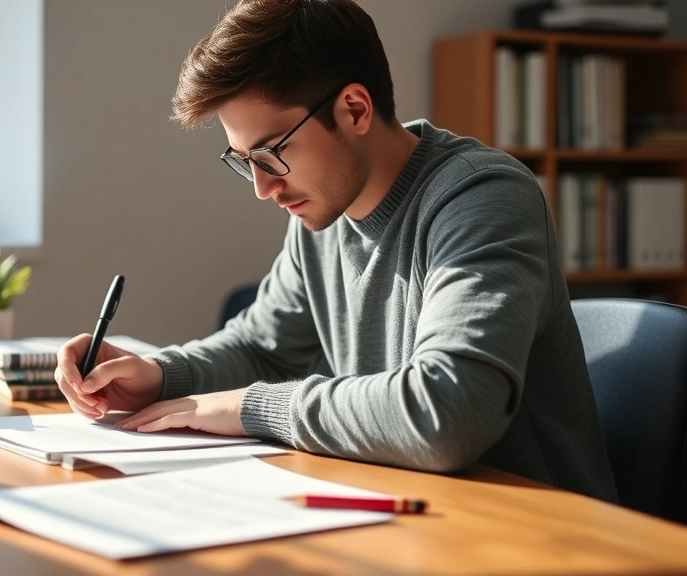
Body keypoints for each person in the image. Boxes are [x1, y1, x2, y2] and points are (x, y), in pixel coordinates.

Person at [55, 0, 617, 502]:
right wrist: (156, 374)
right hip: (411, 520)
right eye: (243, 160)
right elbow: (264, 348)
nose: (262, 188)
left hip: (541, 536)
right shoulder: (320, 216)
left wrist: (251, 407)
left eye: (271, 152)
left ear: (354, 109)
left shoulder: (484, 198)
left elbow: (449, 411)